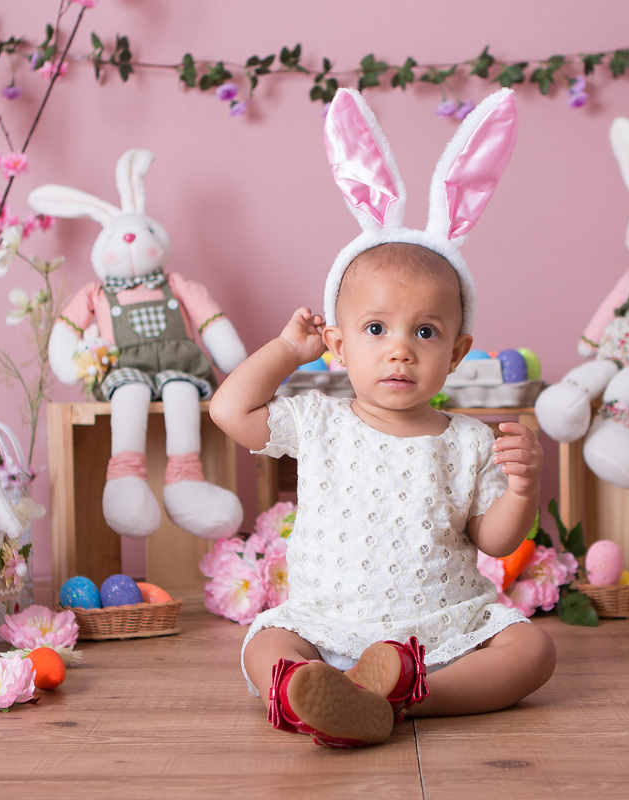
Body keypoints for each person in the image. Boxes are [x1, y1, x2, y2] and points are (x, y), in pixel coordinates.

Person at [210, 242, 556, 748]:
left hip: (446, 632)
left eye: (425, 332)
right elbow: (228, 410)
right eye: (376, 329)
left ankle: (407, 697)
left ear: (456, 353)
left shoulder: (470, 440)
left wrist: (524, 488)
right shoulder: (317, 420)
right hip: (326, 628)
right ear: (338, 344)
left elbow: (496, 540)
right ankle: (304, 691)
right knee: (268, 643)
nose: (401, 350)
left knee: (533, 650)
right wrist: (288, 350)